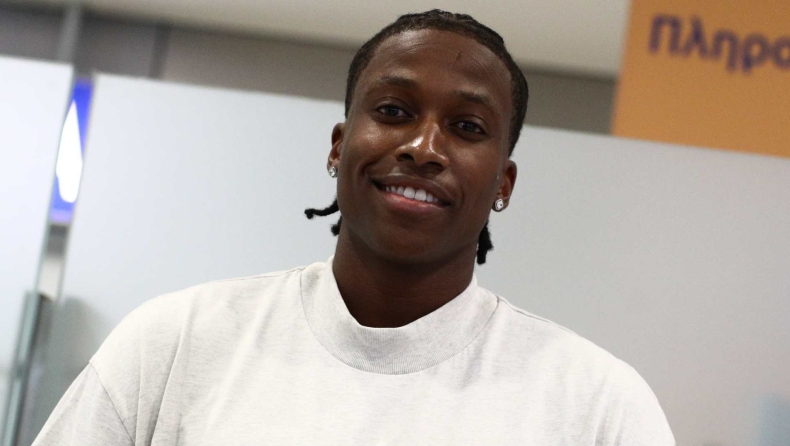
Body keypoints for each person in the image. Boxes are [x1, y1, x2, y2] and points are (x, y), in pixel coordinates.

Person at [33, 10, 674, 445]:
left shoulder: (598, 404)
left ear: (503, 184)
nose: (424, 147)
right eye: (393, 111)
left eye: (467, 127)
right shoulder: (174, 344)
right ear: (338, 147)